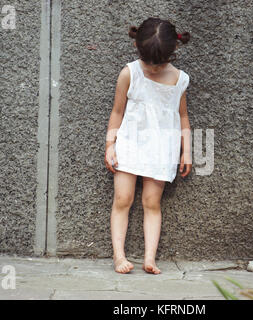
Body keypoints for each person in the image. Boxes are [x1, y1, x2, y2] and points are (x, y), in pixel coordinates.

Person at [104, 17, 192, 274]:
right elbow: (117, 112)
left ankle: (149, 258)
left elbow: (183, 117)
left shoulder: (180, 80)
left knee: (152, 202)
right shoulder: (129, 73)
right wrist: (110, 144)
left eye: (160, 63)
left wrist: (187, 150)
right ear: (136, 48)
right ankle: (119, 256)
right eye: (148, 63)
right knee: (123, 198)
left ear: (173, 53)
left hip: (161, 150)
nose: (153, 69)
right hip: (129, 145)